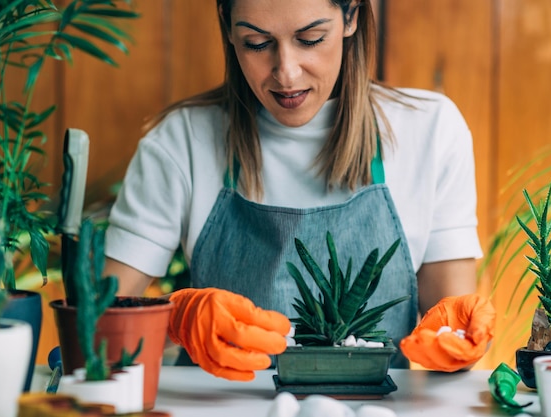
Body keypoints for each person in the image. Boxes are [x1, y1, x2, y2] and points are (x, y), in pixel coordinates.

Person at [104, 0, 494, 380]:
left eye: (310, 39)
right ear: (227, 26)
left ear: (351, 16)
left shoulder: (431, 130)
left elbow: (452, 336)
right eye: (257, 43)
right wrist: (176, 316)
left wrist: (458, 337)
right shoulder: (181, 141)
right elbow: (95, 323)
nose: (286, 73)